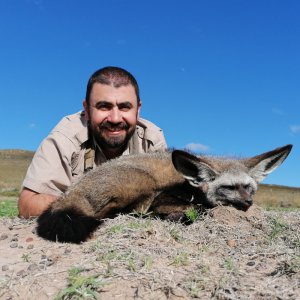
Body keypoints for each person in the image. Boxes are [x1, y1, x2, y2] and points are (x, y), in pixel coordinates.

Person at [18, 66, 167, 218]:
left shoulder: (152, 140)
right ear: (87, 110)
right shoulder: (64, 138)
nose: (115, 119)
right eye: (104, 106)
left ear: (138, 110)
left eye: (124, 107)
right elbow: (28, 204)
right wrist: (103, 208)